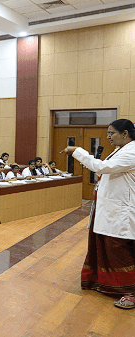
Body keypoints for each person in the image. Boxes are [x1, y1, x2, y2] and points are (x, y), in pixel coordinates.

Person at [62, 119, 135, 308]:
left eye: (112, 133)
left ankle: (131, 292)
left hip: (121, 211)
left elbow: (102, 167)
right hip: (110, 209)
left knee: (118, 248)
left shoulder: (131, 151)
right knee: (107, 247)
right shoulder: (121, 150)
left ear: (125, 133)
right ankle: (107, 283)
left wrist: (77, 151)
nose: (108, 136)